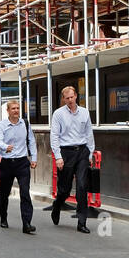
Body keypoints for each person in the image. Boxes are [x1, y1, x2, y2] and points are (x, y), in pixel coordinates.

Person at [50, 85, 96, 233]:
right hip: (66, 153)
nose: (70, 100)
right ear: (64, 99)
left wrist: (90, 154)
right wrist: (58, 157)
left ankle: (82, 221)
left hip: (82, 151)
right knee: (64, 188)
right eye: (67, 98)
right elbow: (54, 136)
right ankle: (57, 204)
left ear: (76, 96)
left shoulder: (84, 113)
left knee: (82, 185)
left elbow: (89, 134)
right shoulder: (58, 114)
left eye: (72, 97)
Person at [0, 99, 37, 234]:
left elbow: (31, 141)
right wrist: (5, 147)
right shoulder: (2, 125)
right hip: (7, 163)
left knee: (25, 192)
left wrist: (34, 158)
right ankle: (3, 218)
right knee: (4, 193)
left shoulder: (25, 123)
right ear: (8, 111)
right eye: (13, 108)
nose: (16, 111)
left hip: (22, 162)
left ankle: (27, 223)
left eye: (18, 108)